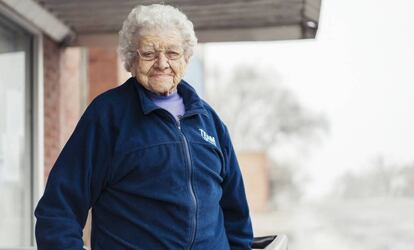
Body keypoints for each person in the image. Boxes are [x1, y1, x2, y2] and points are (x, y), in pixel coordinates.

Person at [35, 4, 253, 250]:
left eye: (172, 53)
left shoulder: (209, 121)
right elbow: (57, 213)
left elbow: (237, 218)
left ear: (186, 58)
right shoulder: (107, 115)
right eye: (149, 53)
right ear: (131, 58)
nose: (162, 63)